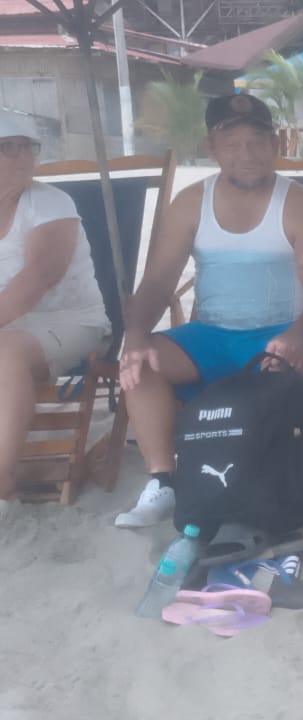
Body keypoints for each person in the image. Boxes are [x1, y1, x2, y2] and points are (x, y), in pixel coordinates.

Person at [113, 94, 303, 528]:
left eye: (257, 141)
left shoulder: (300, 204)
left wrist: (298, 335)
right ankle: (164, 480)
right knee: (143, 364)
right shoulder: (190, 203)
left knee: (273, 375)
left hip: (286, 332)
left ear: (276, 144)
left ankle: (261, 481)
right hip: (212, 334)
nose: (246, 154)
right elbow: (158, 282)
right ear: (211, 148)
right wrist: (136, 336)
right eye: (232, 144)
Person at [0, 109, 110, 515]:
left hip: (74, 322)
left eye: (27, 146)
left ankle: (2, 478)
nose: (22, 156)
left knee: (5, 352)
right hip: (13, 325)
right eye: (7, 148)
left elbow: (38, 278)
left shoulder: (50, 203)